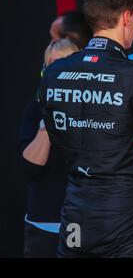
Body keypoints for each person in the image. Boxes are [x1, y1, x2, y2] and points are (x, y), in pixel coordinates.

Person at [39, 0, 133, 257]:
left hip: (75, 210)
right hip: (124, 215)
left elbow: (57, 136)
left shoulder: (54, 73)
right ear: (127, 16)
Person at [19, 39, 79, 257]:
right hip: (44, 222)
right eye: (51, 65)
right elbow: (30, 169)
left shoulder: (91, 109)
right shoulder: (35, 110)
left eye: (64, 64)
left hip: (81, 222)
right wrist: (47, 120)